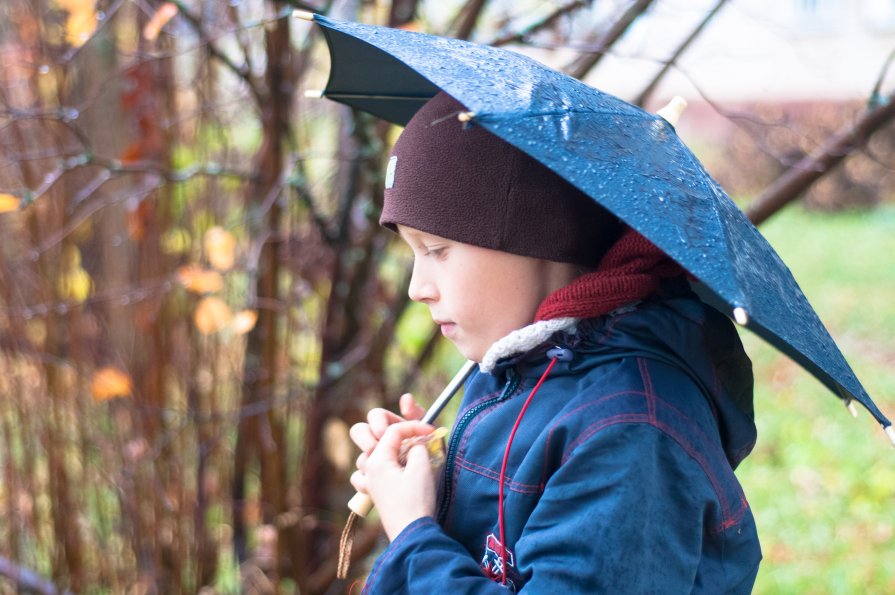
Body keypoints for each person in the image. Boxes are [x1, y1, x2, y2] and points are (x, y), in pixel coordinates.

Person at [348, 91, 761, 593]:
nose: (417, 287)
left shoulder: (631, 429)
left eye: (437, 249)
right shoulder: (520, 365)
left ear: (534, 241)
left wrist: (414, 535)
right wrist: (440, 487)